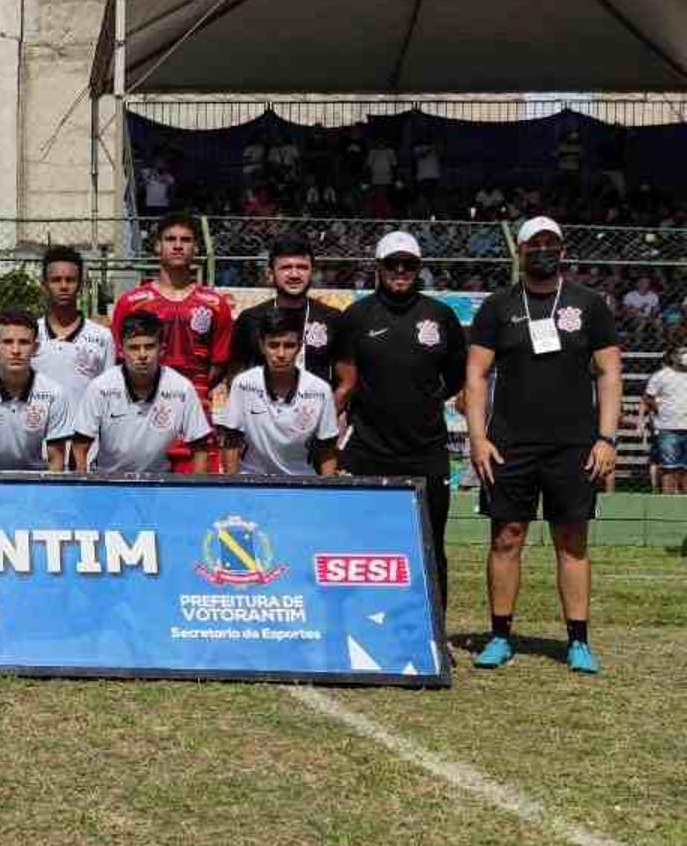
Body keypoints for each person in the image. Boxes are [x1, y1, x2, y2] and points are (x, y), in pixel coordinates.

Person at [465, 218, 620, 675]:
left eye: (551, 244)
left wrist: (607, 438)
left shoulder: (589, 305)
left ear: (563, 251)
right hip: (509, 445)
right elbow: (476, 375)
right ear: (522, 250)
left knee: (571, 538)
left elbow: (609, 373)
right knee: (506, 537)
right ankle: (499, 636)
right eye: (535, 244)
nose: (543, 251)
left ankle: (578, 640)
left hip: (574, 445)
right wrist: (477, 437)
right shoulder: (497, 307)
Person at [330, 230, 468, 608]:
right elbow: (343, 379)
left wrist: (428, 399)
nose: (401, 271)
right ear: (379, 267)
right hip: (368, 451)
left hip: (426, 452)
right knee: (362, 545)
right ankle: (363, 626)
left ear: (419, 268)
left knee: (430, 543)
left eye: (409, 264)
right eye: (393, 264)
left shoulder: (440, 316)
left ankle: (433, 635)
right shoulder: (356, 316)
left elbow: (457, 375)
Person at [109, 213, 234, 471]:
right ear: (157, 246)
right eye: (170, 239)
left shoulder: (215, 304)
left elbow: (220, 362)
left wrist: (188, 391)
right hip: (144, 407)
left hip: (198, 404)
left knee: (194, 492)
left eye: (186, 240)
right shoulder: (132, 302)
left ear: (196, 248)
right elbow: (121, 359)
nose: (178, 245)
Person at [71, 310, 213, 475]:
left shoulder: (182, 388)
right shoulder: (100, 387)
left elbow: (200, 447)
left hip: (159, 481)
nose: (143, 355)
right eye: (134, 348)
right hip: (108, 481)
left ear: (162, 349)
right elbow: (80, 445)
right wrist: (81, 488)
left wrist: (196, 496)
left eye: (150, 346)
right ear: (121, 351)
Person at [220, 308, 340, 477]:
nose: (281, 354)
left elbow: (327, 448)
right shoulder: (243, 384)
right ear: (262, 346)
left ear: (300, 347)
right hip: (251, 478)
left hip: (302, 480)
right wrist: (231, 489)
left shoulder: (320, 390)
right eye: (273, 345)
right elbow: (232, 440)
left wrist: (327, 494)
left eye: (289, 346)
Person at [0, 312, 71, 472]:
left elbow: (56, 461)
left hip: (35, 483)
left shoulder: (54, 394)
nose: (16, 350)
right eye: (7, 342)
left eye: (24, 342)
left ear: (36, 348)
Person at [230, 234, 340, 385]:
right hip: (262, 408)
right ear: (270, 274)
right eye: (286, 268)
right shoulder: (250, 319)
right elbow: (236, 375)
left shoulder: (333, 319)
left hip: (315, 407)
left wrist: (326, 408)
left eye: (302, 267)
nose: (294, 275)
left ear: (312, 273)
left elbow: (346, 380)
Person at [32, 245, 114, 417]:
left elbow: (109, 395)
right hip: (38, 440)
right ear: (44, 285)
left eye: (70, 280)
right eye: (56, 280)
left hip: (86, 440)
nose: (63, 286)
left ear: (80, 284)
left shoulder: (102, 337)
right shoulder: (29, 336)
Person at [642, 344, 687, 494]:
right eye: (683, 352)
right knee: (669, 467)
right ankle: (668, 502)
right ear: (673, 356)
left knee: (685, 468)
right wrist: (660, 411)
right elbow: (648, 397)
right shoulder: (661, 376)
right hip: (668, 428)